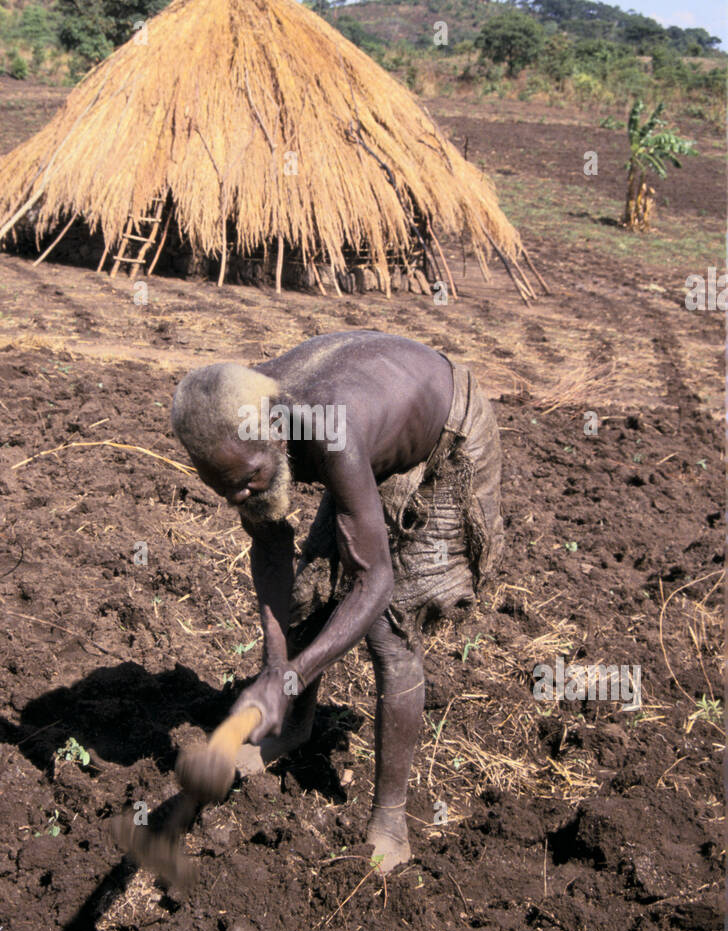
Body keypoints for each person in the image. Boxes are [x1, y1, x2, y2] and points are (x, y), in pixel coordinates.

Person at [170, 331, 503, 870]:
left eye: (250, 480)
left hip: (447, 437)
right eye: (224, 487)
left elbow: (376, 583)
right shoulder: (238, 417)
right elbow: (272, 547)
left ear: (276, 432)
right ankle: (295, 729)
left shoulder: (328, 428)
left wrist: (291, 677)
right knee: (310, 592)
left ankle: (391, 821)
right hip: (363, 438)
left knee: (391, 633)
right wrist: (277, 667)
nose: (238, 498)